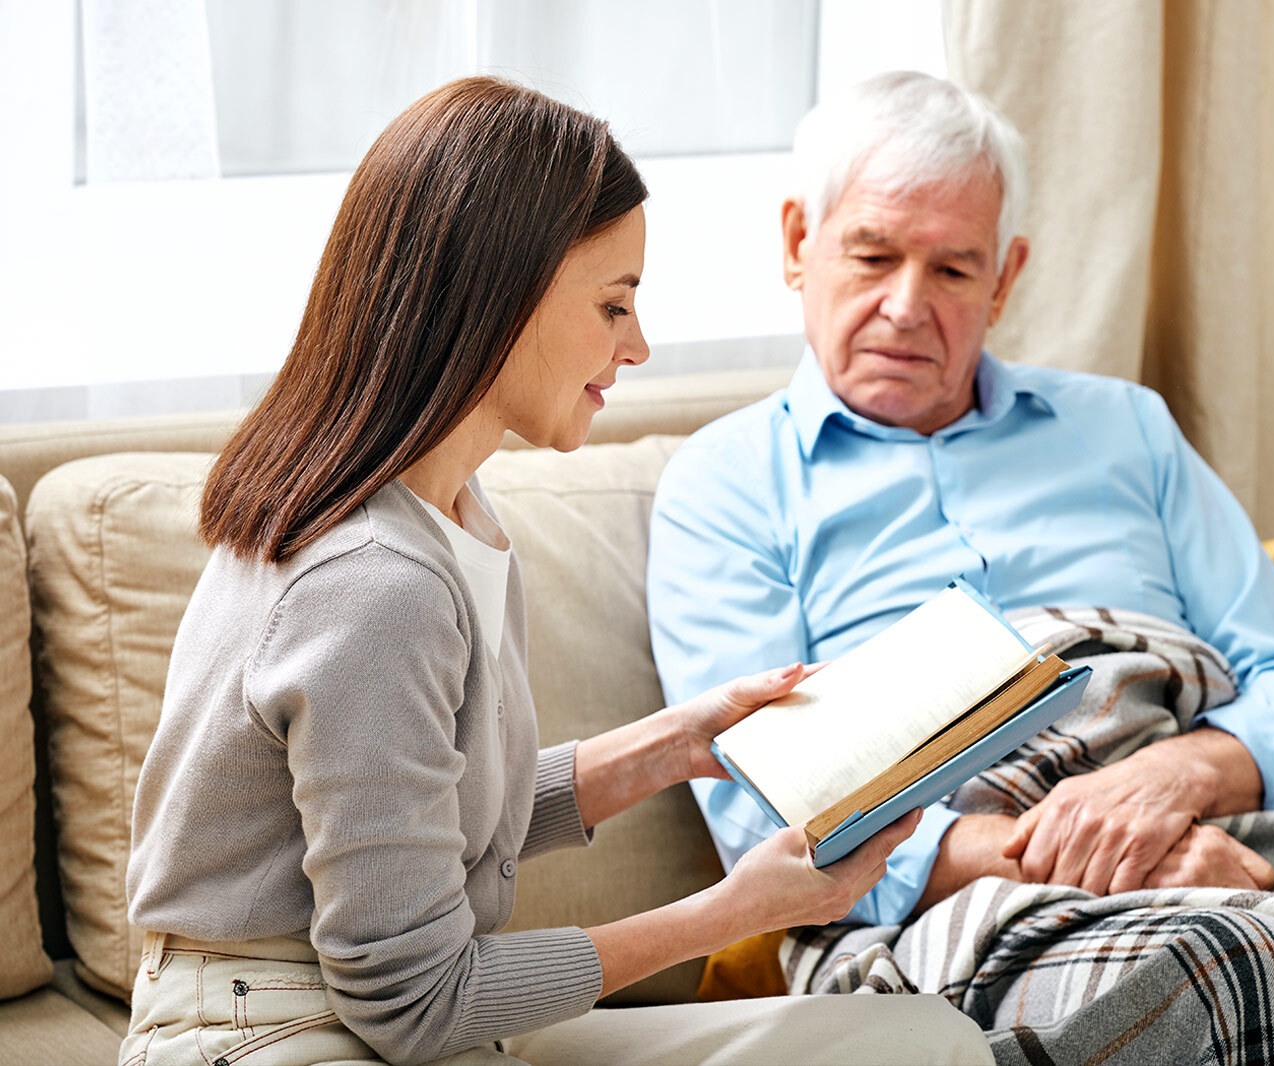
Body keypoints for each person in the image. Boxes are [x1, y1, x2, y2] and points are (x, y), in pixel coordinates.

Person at [119, 77, 995, 1066]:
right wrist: (733, 910)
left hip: (378, 1017)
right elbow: (412, 1001)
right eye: (614, 303)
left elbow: (428, 811)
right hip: (276, 1032)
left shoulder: (449, 512)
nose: (638, 345)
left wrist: (669, 745)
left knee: (912, 1039)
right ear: (497, 293)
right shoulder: (371, 583)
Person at [646, 70, 1274, 926]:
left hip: (1225, 823)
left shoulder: (1128, 427)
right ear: (800, 241)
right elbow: (772, 807)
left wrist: (1179, 777)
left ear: (1005, 278)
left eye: (953, 268)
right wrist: (1117, 861)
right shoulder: (723, 483)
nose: (906, 307)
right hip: (967, 898)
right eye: (873, 256)